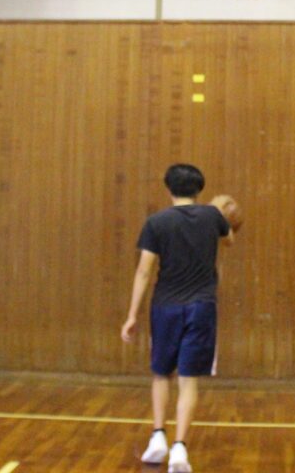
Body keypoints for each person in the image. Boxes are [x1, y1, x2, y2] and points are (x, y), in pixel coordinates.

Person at [121, 163, 235, 473]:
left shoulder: (156, 222)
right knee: (188, 379)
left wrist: (131, 315)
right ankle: (180, 449)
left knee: (161, 374)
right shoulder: (212, 216)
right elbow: (229, 240)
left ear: (168, 188)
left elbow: (144, 271)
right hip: (201, 306)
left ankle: (158, 435)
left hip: (165, 306)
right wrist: (221, 212)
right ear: (199, 188)